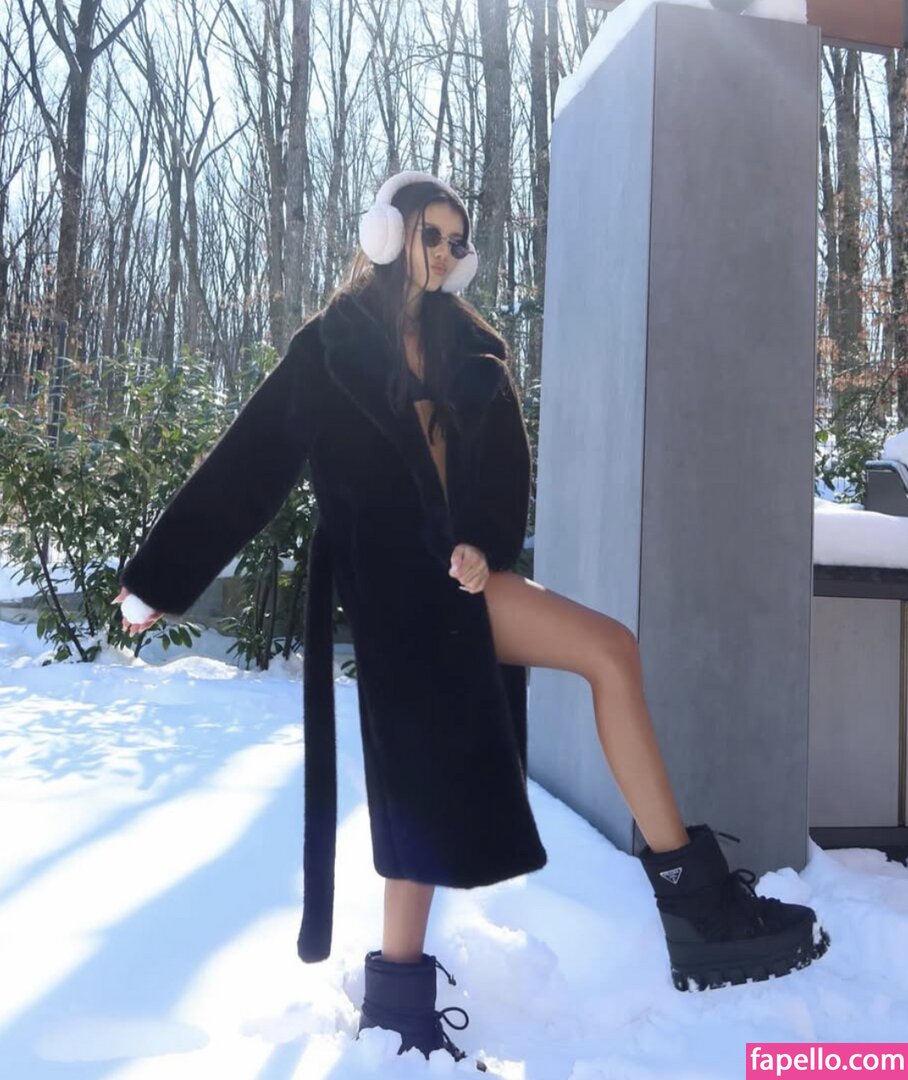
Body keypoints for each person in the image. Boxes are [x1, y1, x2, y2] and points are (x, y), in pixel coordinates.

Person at [113, 170, 830, 1069]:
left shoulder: (473, 348)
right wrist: (157, 582)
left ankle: (693, 903)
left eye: (458, 241)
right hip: (389, 591)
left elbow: (504, 477)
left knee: (605, 653)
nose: (447, 253)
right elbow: (245, 468)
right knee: (418, 783)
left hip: (461, 585)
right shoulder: (328, 348)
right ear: (387, 234)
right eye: (432, 234)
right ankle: (403, 1008)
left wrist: (485, 545)